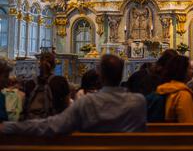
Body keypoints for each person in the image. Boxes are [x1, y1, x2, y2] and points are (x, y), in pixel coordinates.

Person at [0, 55, 146, 136]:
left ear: (100, 76)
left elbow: (52, 126)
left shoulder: (87, 102)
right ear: (122, 75)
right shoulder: (139, 102)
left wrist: (10, 127)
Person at [154, 55, 193, 123]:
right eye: (190, 68)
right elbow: (189, 124)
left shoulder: (163, 89)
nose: (192, 72)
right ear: (183, 71)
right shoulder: (183, 95)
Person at [23, 51, 56, 119]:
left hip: (33, 123)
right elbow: (65, 106)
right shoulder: (60, 82)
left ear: (39, 65)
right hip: (51, 122)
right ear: (54, 65)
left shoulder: (30, 83)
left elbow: (25, 106)